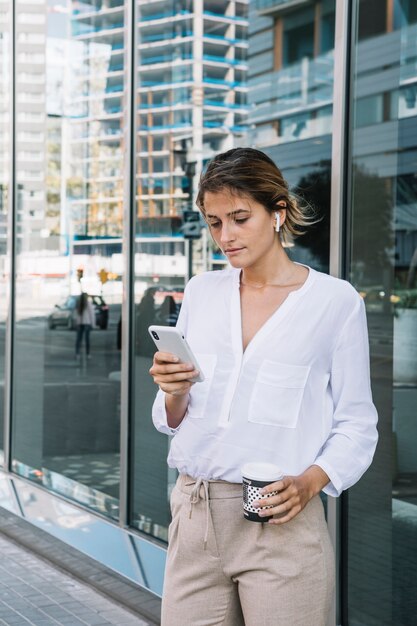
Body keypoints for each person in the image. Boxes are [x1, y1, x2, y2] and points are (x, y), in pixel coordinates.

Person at [149, 147, 378, 626]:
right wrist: (173, 390)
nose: (225, 237)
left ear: (277, 213)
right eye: (214, 223)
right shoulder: (201, 292)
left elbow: (357, 423)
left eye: (239, 218)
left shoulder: (334, 303)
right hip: (194, 515)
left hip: (281, 520)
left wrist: (311, 482)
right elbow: (172, 418)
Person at [75, 292, 95, 359]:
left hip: (80, 324)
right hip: (87, 323)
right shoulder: (88, 304)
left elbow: (77, 315)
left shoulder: (79, 304)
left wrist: (77, 323)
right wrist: (93, 324)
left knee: (79, 339)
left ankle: (77, 354)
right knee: (87, 340)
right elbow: (91, 314)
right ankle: (88, 354)